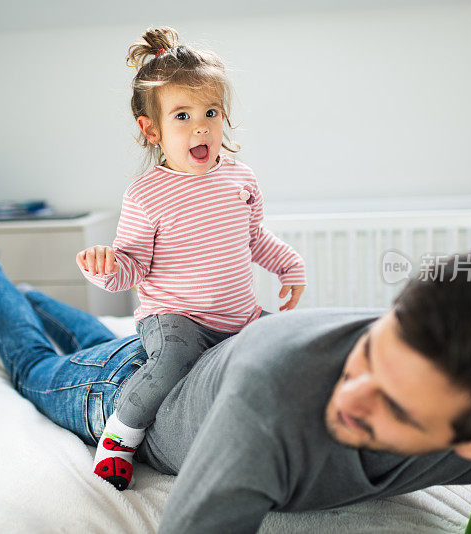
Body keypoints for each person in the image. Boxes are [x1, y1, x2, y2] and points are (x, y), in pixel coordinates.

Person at [0, 237, 471, 534]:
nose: (350, 392)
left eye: (390, 407)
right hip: (127, 397)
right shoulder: (276, 394)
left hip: (175, 361)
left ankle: (36, 295)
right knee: (38, 369)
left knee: (105, 345)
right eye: (371, 353)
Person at [74, 26, 307, 490]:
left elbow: (254, 237)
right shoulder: (147, 195)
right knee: (172, 361)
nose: (201, 126)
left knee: (286, 347)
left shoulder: (240, 179)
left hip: (238, 315)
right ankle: (120, 438)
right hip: (175, 317)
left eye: (211, 112)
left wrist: (289, 266)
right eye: (182, 115)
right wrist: (105, 268)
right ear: (151, 129)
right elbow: (132, 265)